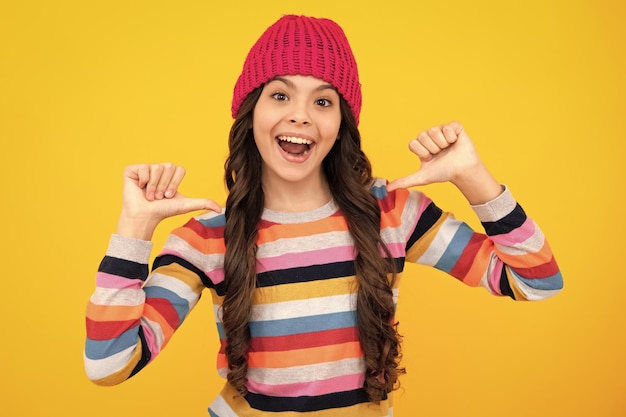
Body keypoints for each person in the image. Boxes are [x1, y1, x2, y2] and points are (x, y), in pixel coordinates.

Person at [84, 14, 563, 416]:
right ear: (250, 113)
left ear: (341, 124)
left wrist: (473, 177)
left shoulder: (391, 214)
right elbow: (108, 365)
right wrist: (136, 229)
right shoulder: (208, 238)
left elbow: (537, 282)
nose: (300, 116)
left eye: (323, 101)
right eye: (280, 95)